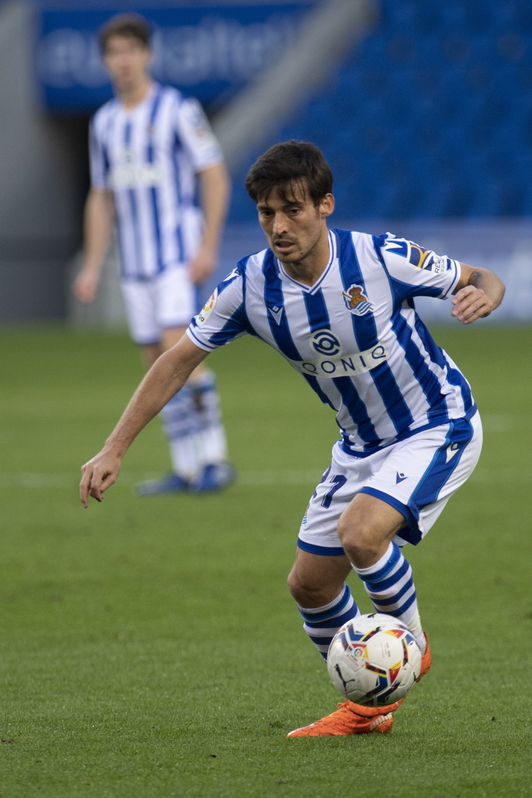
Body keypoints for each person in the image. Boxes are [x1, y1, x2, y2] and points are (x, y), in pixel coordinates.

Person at [79, 141, 505, 736]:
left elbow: (482, 275)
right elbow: (176, 361)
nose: (279, 226)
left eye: (293, 209)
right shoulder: (250, 287)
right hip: (359, 445)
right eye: (266, 213)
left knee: (361, 533)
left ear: (325, 205)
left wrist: (486, 293)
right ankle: (367, 710)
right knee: (309, 584)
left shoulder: (379, 258)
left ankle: (412, 644)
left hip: (437, 422)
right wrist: (115, 446)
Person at [73, 13, 234, 495]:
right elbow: (102, 195)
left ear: (147, 54)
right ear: (105, 61)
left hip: (175, 256)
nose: (122, 61)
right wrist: (92, 262)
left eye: (130, 50)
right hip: (135, 262)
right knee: (153, 360)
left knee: (177, 348)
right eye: (113, 52)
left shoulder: (177, 110)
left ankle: (216, 458)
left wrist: (207, 245)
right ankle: (187, 468)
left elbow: (214, 173)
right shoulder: (103, 123)